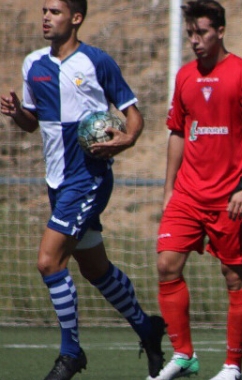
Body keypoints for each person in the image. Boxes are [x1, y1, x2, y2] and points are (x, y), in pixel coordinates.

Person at [0, 1, 165, 379]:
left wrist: (125, 140)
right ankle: (147, 329)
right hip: (56, 182)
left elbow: (134, 117)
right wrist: (16, 113)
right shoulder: (33, 64)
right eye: (44, 10)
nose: (45, 17)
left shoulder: (97, 61)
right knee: (95, 268)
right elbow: (32, 124)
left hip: (88, 178)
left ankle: (71, 352)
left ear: (76, 18)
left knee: (48, 261)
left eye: (54, 11)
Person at [150, 1, 242, 379]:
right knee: (166, 265)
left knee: (235, 278)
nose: (195, 41)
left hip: (231, 196)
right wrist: (169, 188)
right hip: (188, 193)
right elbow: (177, 132)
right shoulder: (185, 76)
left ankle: (232, 366)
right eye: (190, 34)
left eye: (201, 32)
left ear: (219, 31)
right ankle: (184, 355)